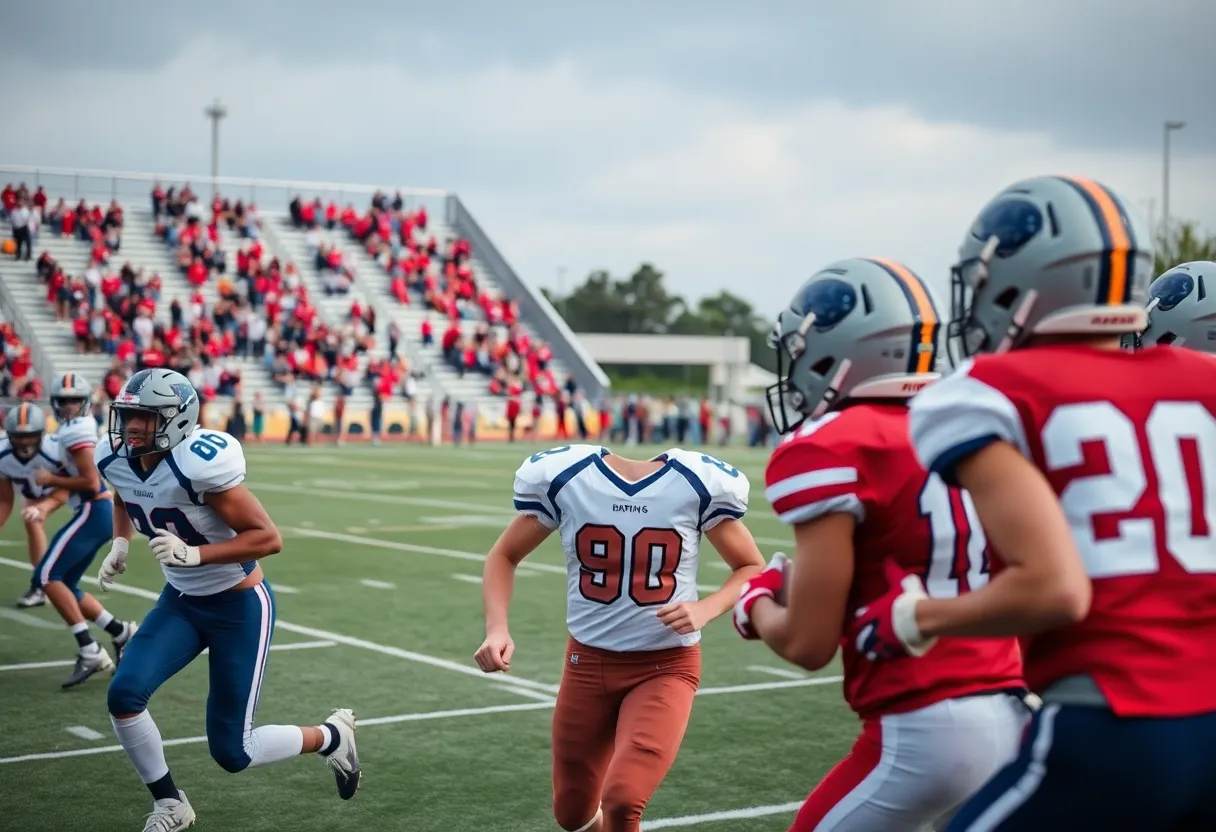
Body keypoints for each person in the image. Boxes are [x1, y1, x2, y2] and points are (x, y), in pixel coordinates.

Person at [859, 176, 1216, 830]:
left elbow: (1055, 590)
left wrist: (917, 616)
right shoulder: (1204, 384)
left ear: (1024, 284)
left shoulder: (987, 390)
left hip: (1113, 721)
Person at [732, 258, 1028, 831]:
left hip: (922, 729)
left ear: (844, 351)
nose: (794, 371)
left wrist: (757, 603)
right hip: (1012, 715)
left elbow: (807, 644)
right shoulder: (974, 420)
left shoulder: (833, 444)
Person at [95, 368, 360, 830]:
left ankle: (332, 735)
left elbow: (268, 537)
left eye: (145, 418)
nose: (132, 427)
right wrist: (121, 542)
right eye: (129, 416)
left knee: (233, 753)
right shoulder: (116, 455)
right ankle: (170, 804)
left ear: (176, 420)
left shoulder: (196, 464)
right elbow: (125, 492)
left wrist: (196, 553)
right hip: (181, 600)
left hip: (238, 608)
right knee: (124, 694)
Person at [475, 444, 765, 831]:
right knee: (572, 814)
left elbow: (750, 565)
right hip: (586, 665)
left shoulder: (695, 485)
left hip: (665, 665)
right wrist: (497, 628)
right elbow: (504, 555)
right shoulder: (568, 480)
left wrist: (705, 608)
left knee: (623, 799)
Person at [31, 374, 138, 687]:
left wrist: (52, 481)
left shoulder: (78, 429)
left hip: (95, 508)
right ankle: (121, 632)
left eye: (74, 399)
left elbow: (91, 482)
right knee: (66, 584)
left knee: (46, 576)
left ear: (84, 401)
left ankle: (90, 650)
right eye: (63, 400)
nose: (68, 405)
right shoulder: (72, 428)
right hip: (93, 510)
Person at [2, 403, 69, 608]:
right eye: (19, 436)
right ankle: (43, 584)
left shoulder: (55, 451)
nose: (24, 442)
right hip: (35, 494)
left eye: (30, 435)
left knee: (33, 518)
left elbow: (66, 489)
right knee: (31, 518)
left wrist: (44, 507)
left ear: (41, 433)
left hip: (74, 491)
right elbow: (4, 499)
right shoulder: (3, 456)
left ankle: (44, 585)